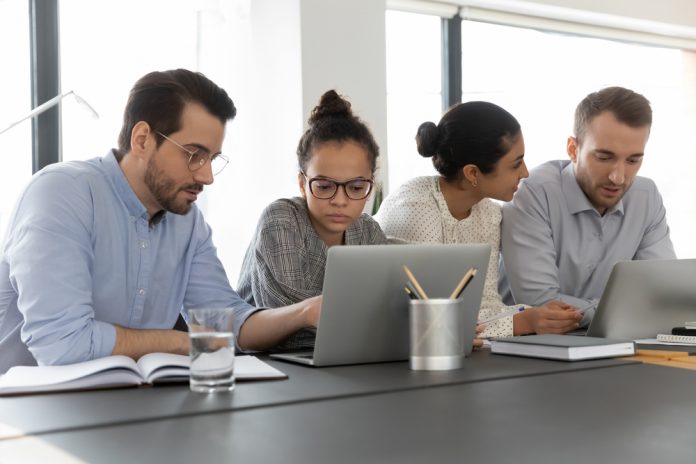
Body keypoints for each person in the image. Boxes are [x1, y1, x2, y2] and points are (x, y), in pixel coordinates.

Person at [0, 69, 319, 374]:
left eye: (212, 159)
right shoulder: (61, 194)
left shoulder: (188, 222)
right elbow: (62, 346)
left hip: (136, 406)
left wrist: (304, 313)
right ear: (142, 139)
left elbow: (225, 323)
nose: (206, 176)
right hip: (30, 415)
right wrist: (182, 343)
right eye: (194, 154)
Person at [376, 101, 580, 338]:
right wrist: (524, 322)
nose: (525, 173)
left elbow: (487, 304)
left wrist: (538, 315)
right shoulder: (415, 208)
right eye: (516, 164)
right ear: (472, 173)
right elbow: (431, 319)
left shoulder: (488, 213)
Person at [501, 86, 676, 328]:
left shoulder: (647, 197)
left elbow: (661, 294)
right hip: (526, 348)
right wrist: (628, 311)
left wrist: (633, 310)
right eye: (604, 158)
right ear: (573, 149)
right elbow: (541, 303)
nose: (619, 177)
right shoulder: (533, 192)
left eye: (633, 160)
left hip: (613, 341)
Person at [237, 90, 387, 350]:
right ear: (302, 184)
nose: (340, 200)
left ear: (371, 185)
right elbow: (292, 326)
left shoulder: (369, 232)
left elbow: (386, 306)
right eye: (325, 186)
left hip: (344, 359)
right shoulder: (280, 220)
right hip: (269, 364)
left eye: (355, 187)